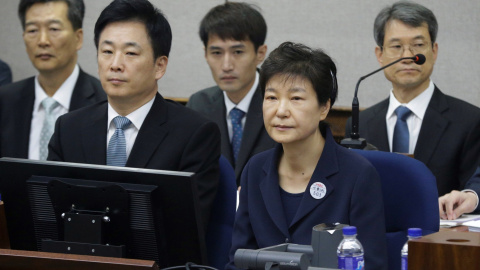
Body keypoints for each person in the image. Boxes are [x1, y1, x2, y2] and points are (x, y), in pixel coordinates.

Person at [47, 0, 221, 230]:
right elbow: (49, 213)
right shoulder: (68, 128)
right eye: (107, 51)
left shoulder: (194, 134)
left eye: (130, 53)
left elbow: (185, 227)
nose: (115, 64)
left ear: (159, 66)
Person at [227, 42, 388, 270]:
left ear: (324, 107)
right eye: (272, 98)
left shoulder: (357, 175)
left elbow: (372, 265)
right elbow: (238, 261)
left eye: (296, 98)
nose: (281, 111)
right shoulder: (255, 169)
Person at [345, 1, 480, 197]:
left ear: (434, 51)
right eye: (397, 46)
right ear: (380, 55)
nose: (408, 56)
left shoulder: (469, 120)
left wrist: (470, 196)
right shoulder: (361, 124)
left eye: (418, 45)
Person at [0, 0, 106, 160]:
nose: (42, 41)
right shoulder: (5, 101)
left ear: (78, 38)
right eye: (33, 30)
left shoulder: (105, 102)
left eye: (54, 29)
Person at [187, 2, 275, 185]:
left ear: (260, 53)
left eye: (237, 52)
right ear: (205, 54)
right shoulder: (198, 105)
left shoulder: (279, 104)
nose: (226, 65)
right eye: (217, 53)